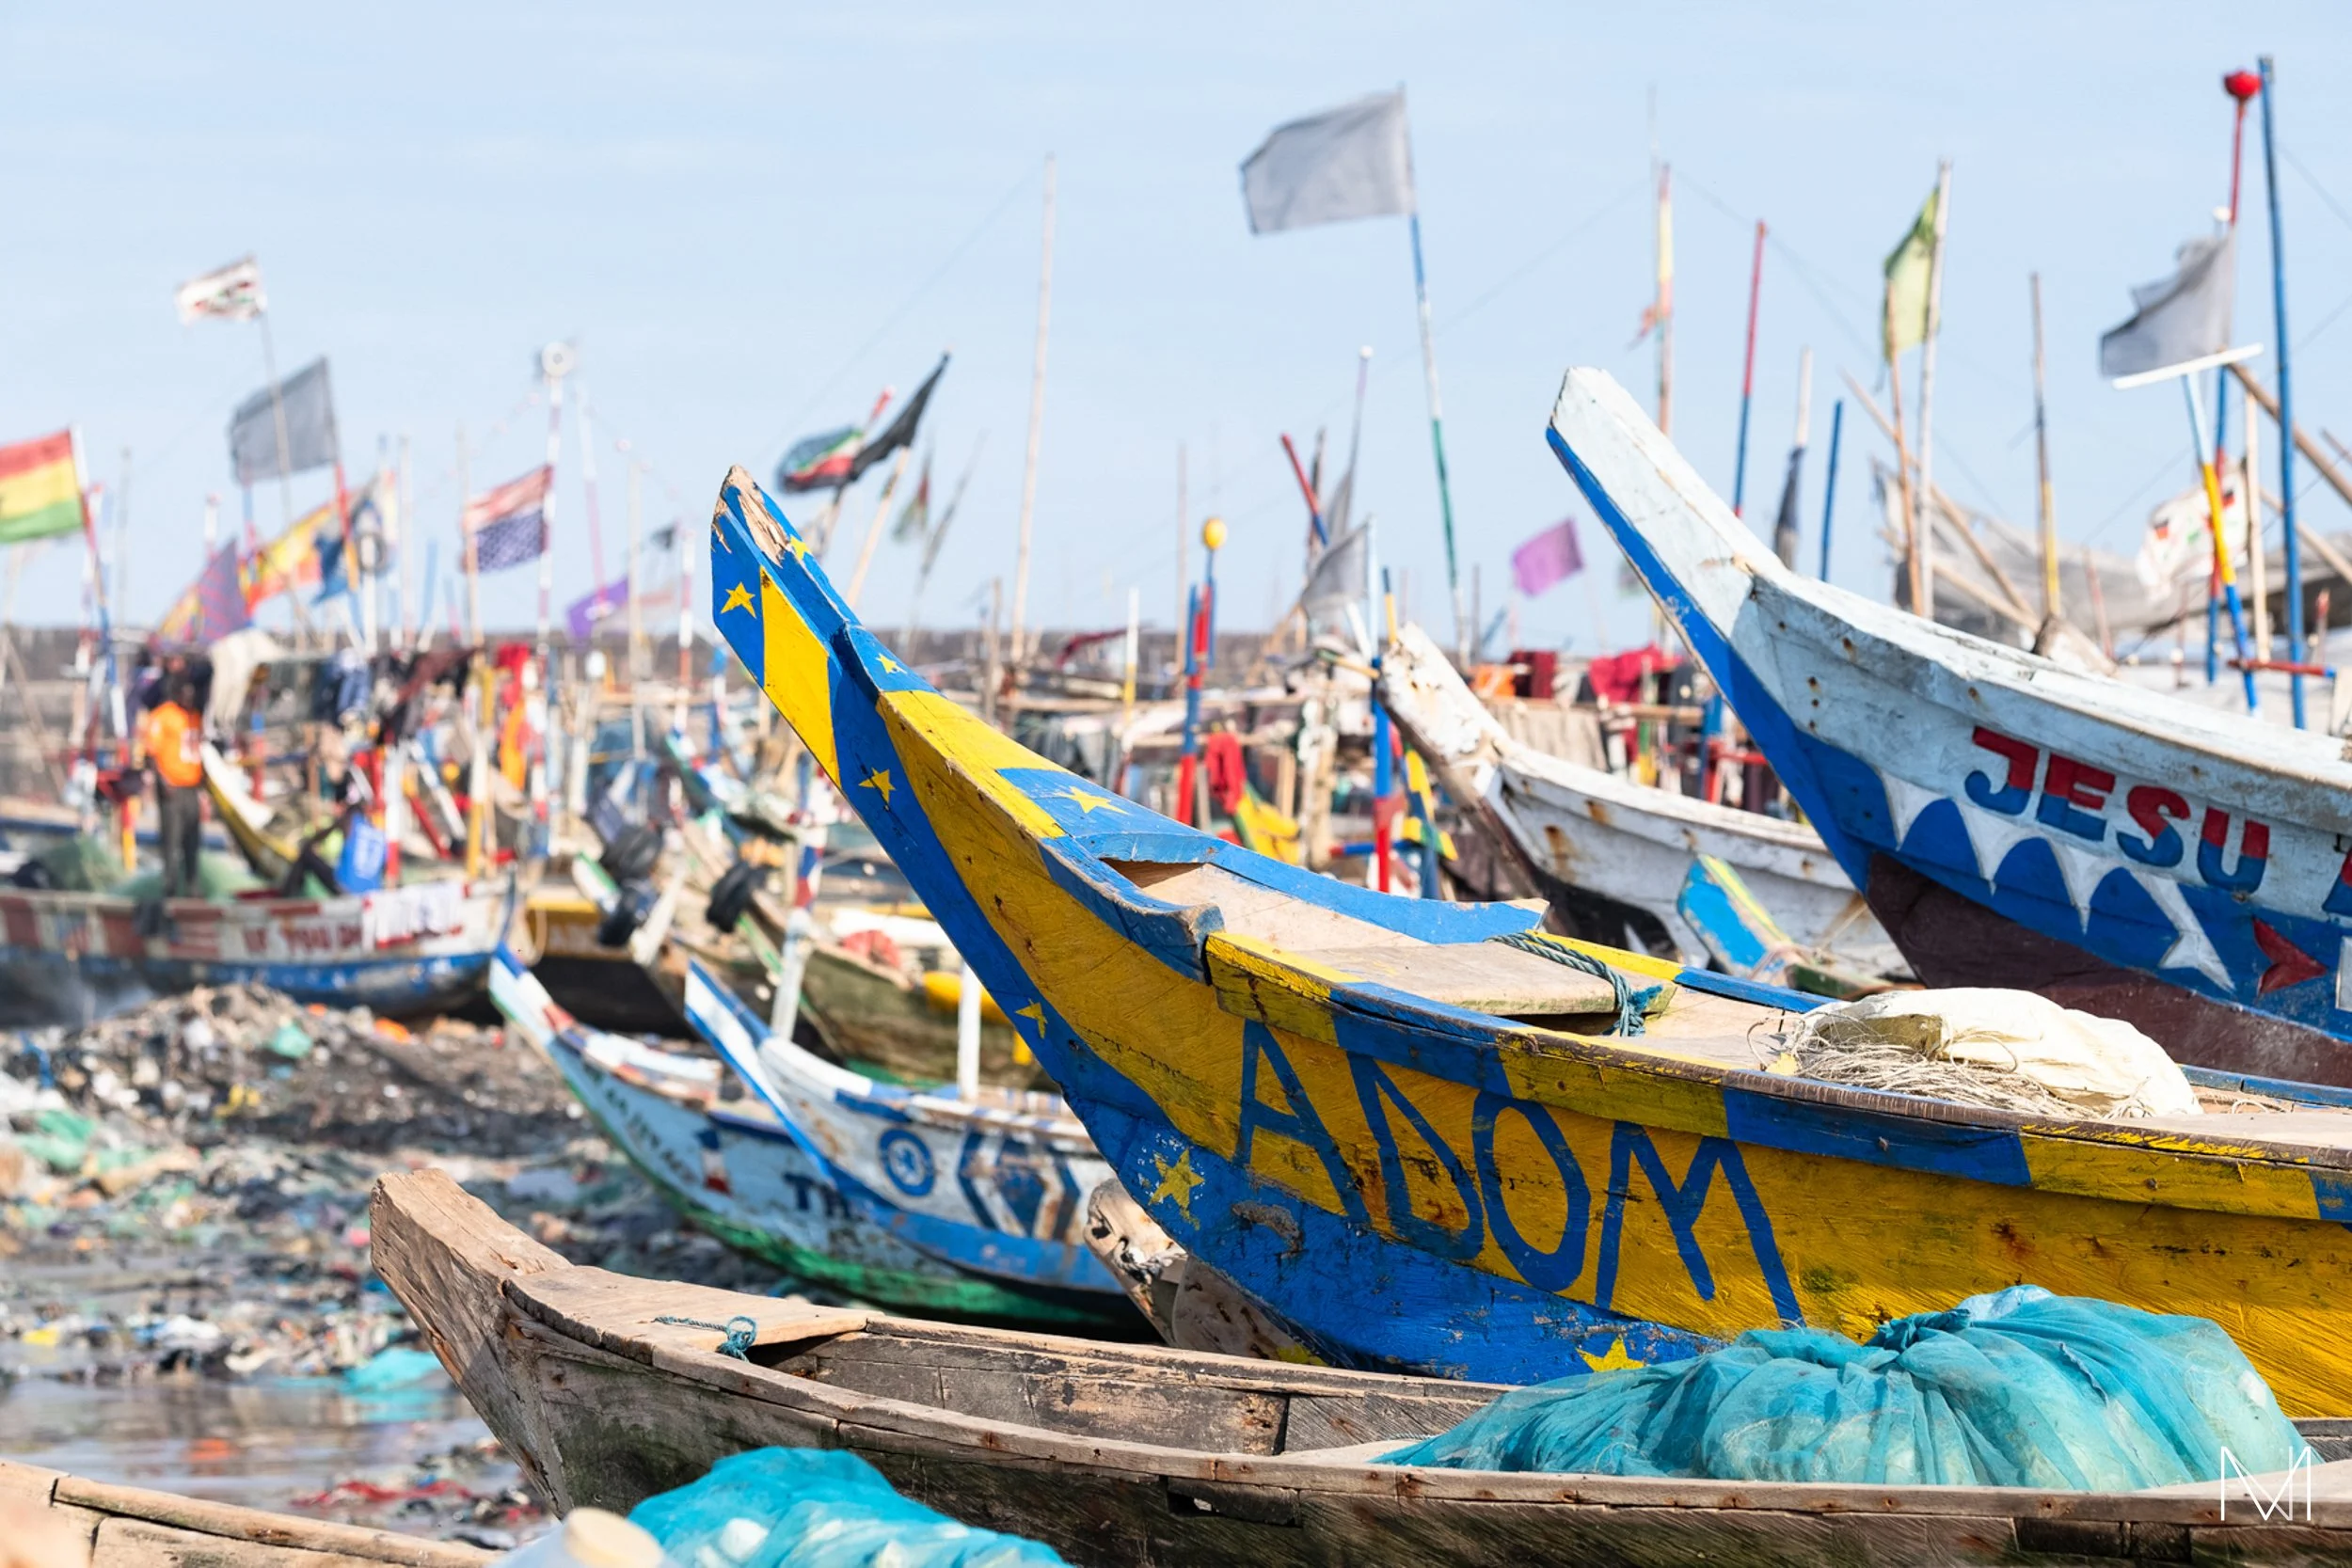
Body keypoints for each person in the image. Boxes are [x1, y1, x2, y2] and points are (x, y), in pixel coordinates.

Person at [140, 671, 205, 897]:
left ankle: (193, 887)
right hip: (172, 788)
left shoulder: (196, 716)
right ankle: (169, 889)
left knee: (192, 839)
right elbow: (151, 752)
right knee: (171, 840)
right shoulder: (163, 716)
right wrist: (162, 781)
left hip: (191, 788)